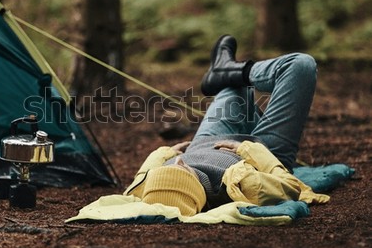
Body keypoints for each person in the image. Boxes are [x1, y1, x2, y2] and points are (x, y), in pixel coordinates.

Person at [123, 34, 329, 216]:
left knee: (232, 85)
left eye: (167, 169)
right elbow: (291, 187)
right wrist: (247, 149)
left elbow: (137, 183)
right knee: (300, 65)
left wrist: (162, 155)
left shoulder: (152, 189)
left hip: (207, 140)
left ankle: (225, 71)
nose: (178, 162)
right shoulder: (243, 185)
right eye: (181, 171)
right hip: (262, 151)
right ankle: (236, 71)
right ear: (194, 188)